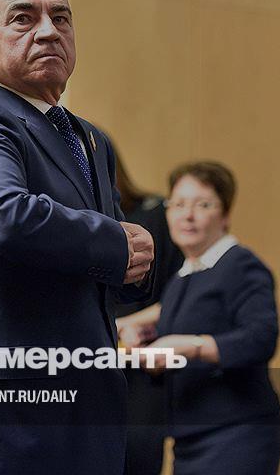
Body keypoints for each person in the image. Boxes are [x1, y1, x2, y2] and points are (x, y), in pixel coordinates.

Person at [0, 0, 154, 475]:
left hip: (86, 406)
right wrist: (117, 246)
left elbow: (105, 264)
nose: (49, 31)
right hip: (13, 410)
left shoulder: (88, 138)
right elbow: (1, 216)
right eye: (23, 18)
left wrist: (136, 262)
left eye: (61, 18)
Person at [117, 161, 280, 475]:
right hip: (190, 438)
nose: (187, 215)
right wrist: (148, 342)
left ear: (226, 214)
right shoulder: (186, 275)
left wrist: (189, 346)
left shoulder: (241, 266)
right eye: (178, 205)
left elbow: (261, 338)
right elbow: (183, 321)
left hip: (235, 433)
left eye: (202, 205)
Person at [110, 150, 184, 474]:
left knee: (137, 455)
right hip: (92, 367)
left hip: (141, 366)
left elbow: (181, 296)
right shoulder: (70, 229)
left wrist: (123, 325)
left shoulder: (153, 215)